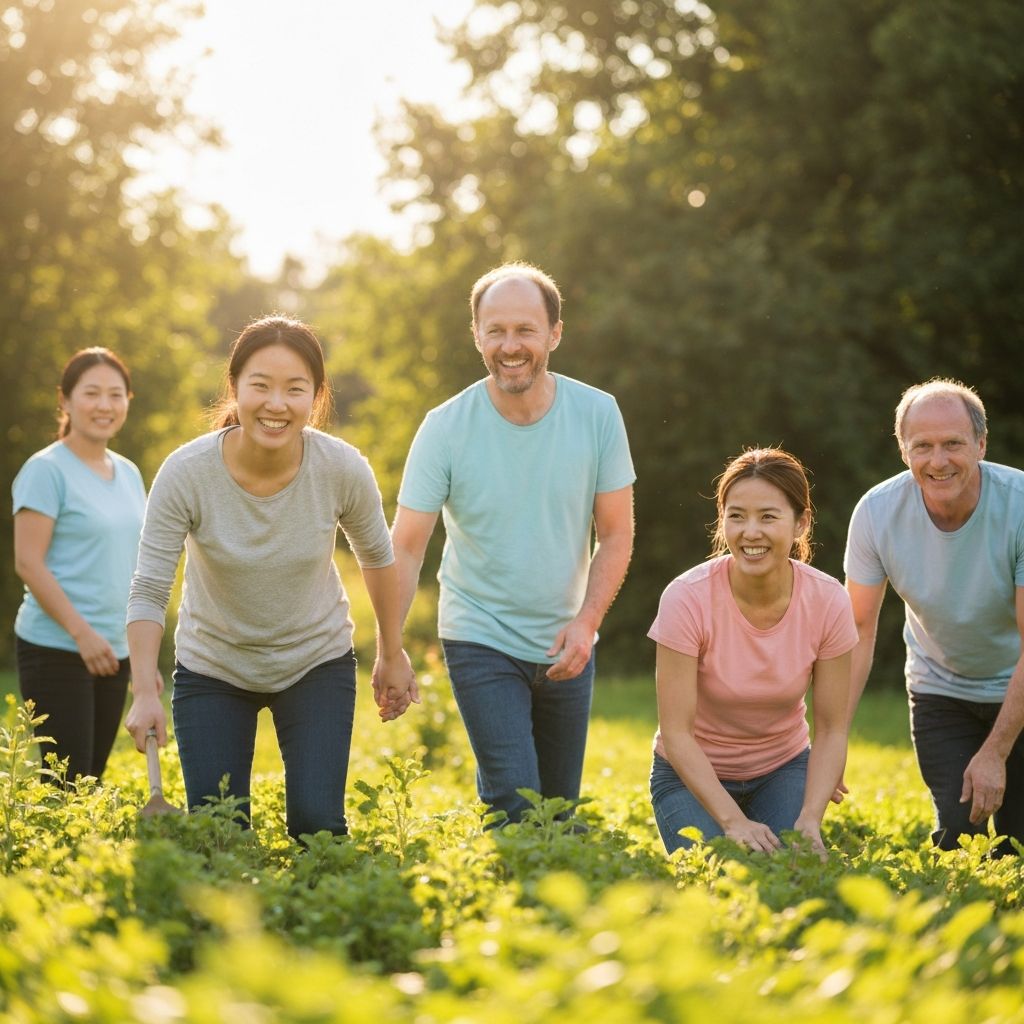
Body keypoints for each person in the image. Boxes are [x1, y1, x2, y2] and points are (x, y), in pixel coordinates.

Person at [124, 316, 416, 841]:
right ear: (235, 387)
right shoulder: (186, 473)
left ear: (316, 396)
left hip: (314, 660)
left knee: (317, 826)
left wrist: (391, 653)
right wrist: (145, 689)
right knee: (221, 834)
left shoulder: (341, 468)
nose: (276, 404)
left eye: (294, 389)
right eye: (260, 385)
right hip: (213, 666)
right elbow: (149, 586)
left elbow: (377, 558)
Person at [390, 262, 635, 826]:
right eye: (495, 330)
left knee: (558, 812)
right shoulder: (445, 426)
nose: (510, 345)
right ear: (476, 335)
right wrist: (390, 645)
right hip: (478, 633)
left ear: (554, 334)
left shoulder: (597, 413)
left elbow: (616, 533)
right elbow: (405, 547)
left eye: (525, 330)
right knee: (519, 808)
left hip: (567, 641)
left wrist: (587, 622)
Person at [844, 379, 1024, 855]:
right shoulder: (876, 513)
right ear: (903, 450)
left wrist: (996, 750)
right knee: (958, 837)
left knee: (1017, 844)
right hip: (940, 688)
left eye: (953, 444)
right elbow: (856, 629)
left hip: (1017, 685)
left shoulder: (1020, 505)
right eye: (922, 446)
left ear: (981, 444)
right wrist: (835, 738)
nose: (938, 461)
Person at [649, 448, 857, 855]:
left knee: (791, 871)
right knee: (719, 874)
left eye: (768, 517)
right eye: (737, 516)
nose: (750, 532)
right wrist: (734, 822)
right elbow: (676, 734)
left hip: (782, 769)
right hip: (688, 776)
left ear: (801, 523)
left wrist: (810, 818)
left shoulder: (829, 600)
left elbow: (832, 729)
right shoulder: (686, 598)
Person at [13, 348, 146, 783]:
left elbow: (134, 565)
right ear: (65, 400)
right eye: (91, 393)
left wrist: (141, 657)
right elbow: (28, 563)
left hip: (114, 651)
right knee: (66, 784)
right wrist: (82, 634)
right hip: (57, 648)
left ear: (127, 400)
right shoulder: (45, 470)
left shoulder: (128, 473)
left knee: (90, 781)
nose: (104, 405)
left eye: (115, 394)